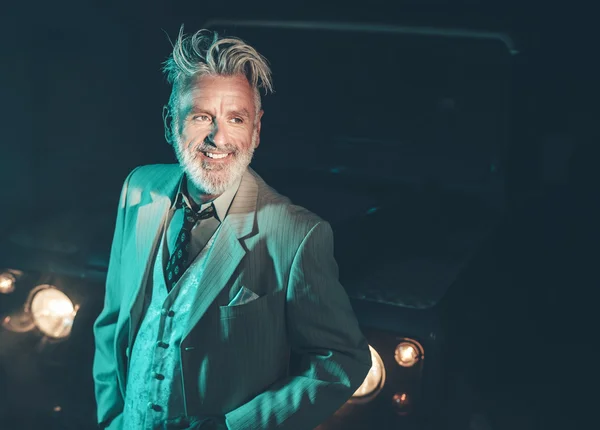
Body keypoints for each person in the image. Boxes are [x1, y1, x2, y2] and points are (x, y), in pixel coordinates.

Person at [93, 27, 372, 430]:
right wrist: (111, 418)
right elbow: (112, 321)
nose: (217, 137)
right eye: (202, 116)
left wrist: (234, 428)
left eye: (235, 118)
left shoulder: (297, 235)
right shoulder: (138, 188)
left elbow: (343, 361)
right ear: (171, 122)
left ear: (256, 129)